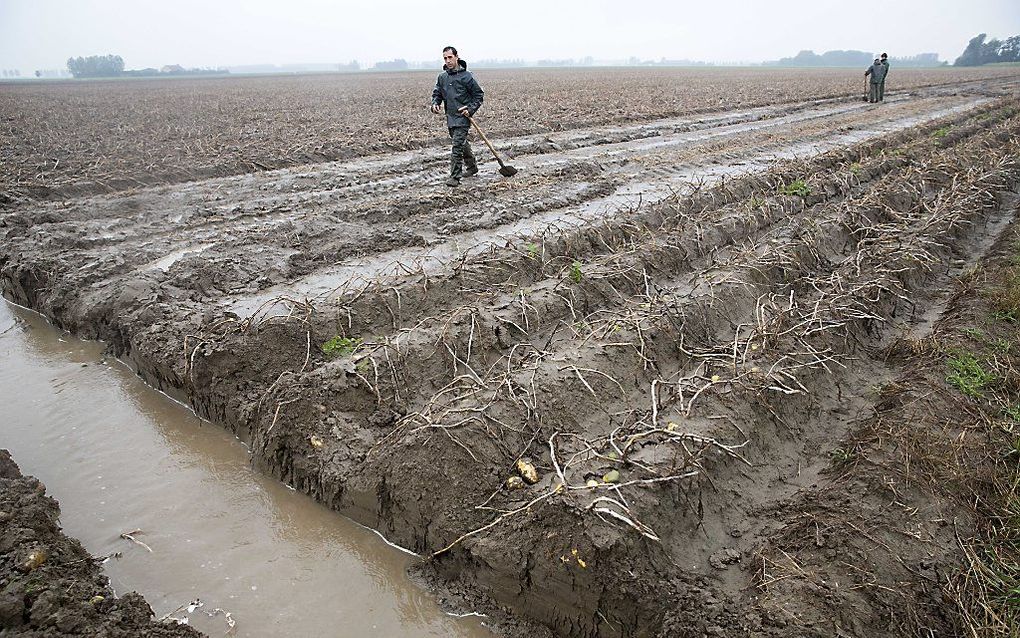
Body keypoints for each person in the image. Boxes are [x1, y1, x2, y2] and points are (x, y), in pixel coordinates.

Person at [431, 46, 484, 187]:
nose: (448, 61)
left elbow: (478, 95)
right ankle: (472, 167)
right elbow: (437, 93)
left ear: (456, 57)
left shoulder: (467, 76)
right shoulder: (442, 77)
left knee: (456, 147)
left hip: (463, 117)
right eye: (445, 58)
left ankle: (455, 177)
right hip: (450, 117)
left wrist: (470, 109)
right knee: (461, 143)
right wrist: (435, 103)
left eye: (450, 57)